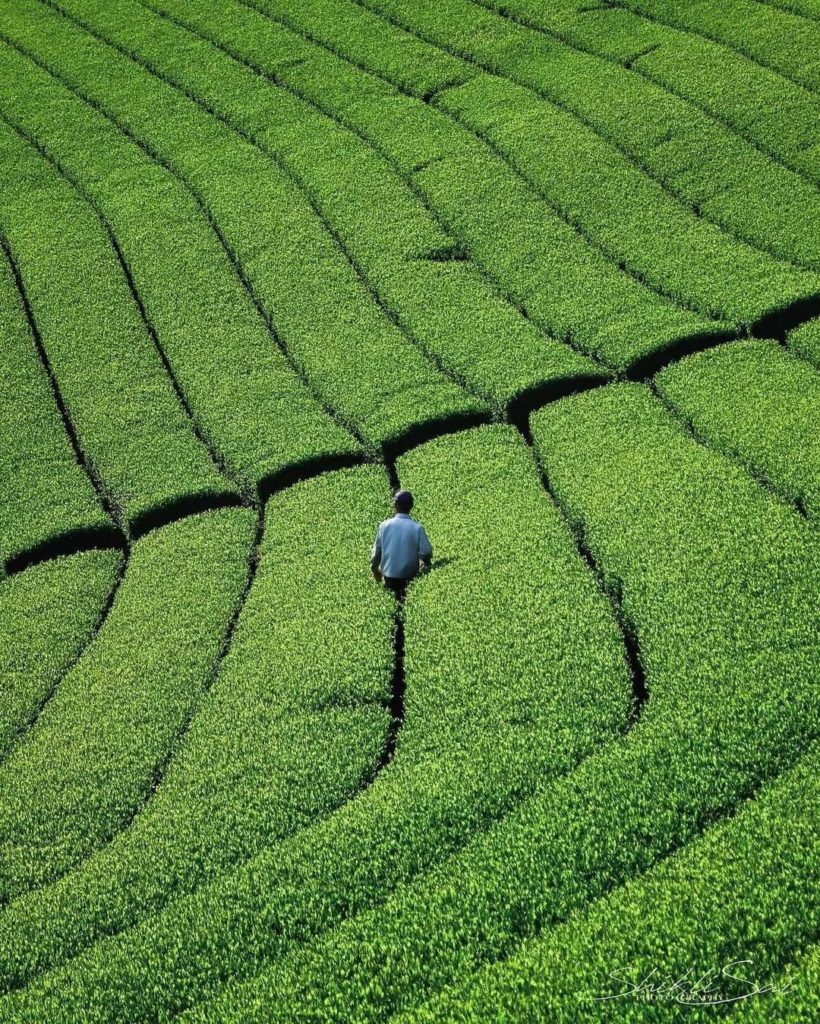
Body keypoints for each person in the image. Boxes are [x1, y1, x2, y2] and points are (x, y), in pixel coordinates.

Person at [371, 489, 432, 600]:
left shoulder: (384, 526)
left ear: (395, 505)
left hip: (389, 577)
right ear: (411, 506)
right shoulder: (417, 528)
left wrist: (375, 570)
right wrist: (423, 562)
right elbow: (427, 552)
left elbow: (376, 554)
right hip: (410, 577)